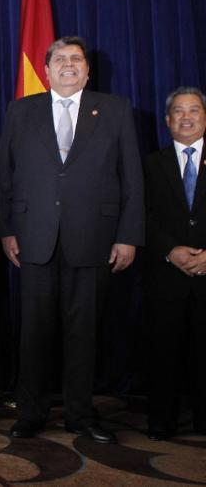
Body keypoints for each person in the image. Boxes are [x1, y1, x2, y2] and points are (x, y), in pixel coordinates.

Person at [0, 36, 144, 444]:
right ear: (45, 71)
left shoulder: (114, 110)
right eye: (59, 59)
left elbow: (131, 176)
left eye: (75, 59)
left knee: (84, 333)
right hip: (34, 239)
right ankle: (31, 413)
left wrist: (128, 235)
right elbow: (5, 176)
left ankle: (81, 415)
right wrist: (8, 229)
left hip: (93, 239)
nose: (67, 65)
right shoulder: (21, 110)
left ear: (87, 69)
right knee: (34, 333)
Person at [143, 87, 206, 441]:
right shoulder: (152, 164)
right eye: (178, 112)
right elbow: (142, 215)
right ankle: (161, 421)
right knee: (163, 350)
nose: (186, 117)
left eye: (194, 111)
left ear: (204, 117)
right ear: (167, 121)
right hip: (165, 273)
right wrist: (171, 250)